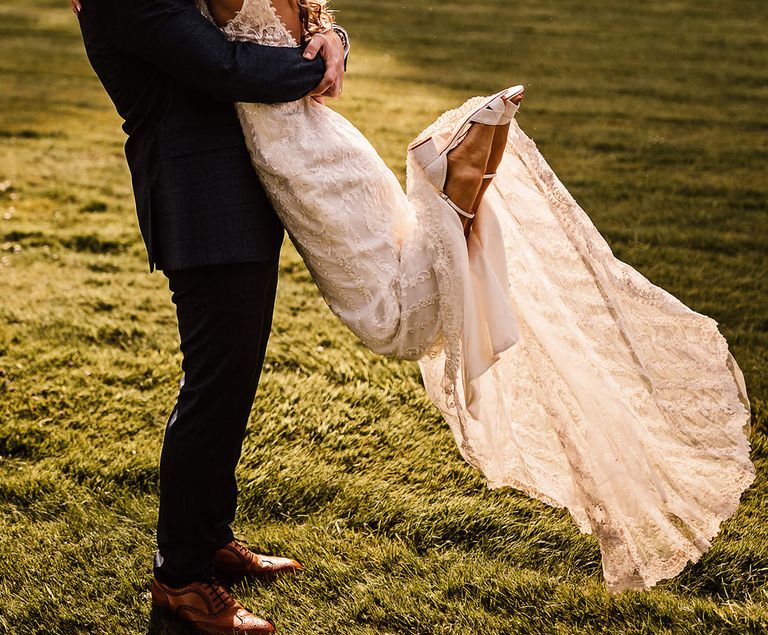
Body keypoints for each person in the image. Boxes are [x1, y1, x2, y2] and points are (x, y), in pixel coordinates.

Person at [200, 0, 755, 596]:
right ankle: (449, 189)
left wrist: (332, 40)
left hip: (298, 150)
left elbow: (230, 63)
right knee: (401, 292)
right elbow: (253, 50)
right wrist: (329, 40)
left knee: (392, 321)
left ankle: (448, 188)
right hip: (322, 144)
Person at [75, 0, 350, 635]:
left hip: (241, 192)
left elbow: (257, 15)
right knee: (212, 390)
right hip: (200, 202)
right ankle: (181, 578)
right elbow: (221, 63)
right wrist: (312, 71)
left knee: (233, 384)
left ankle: (210, 538)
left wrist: (331, 36)